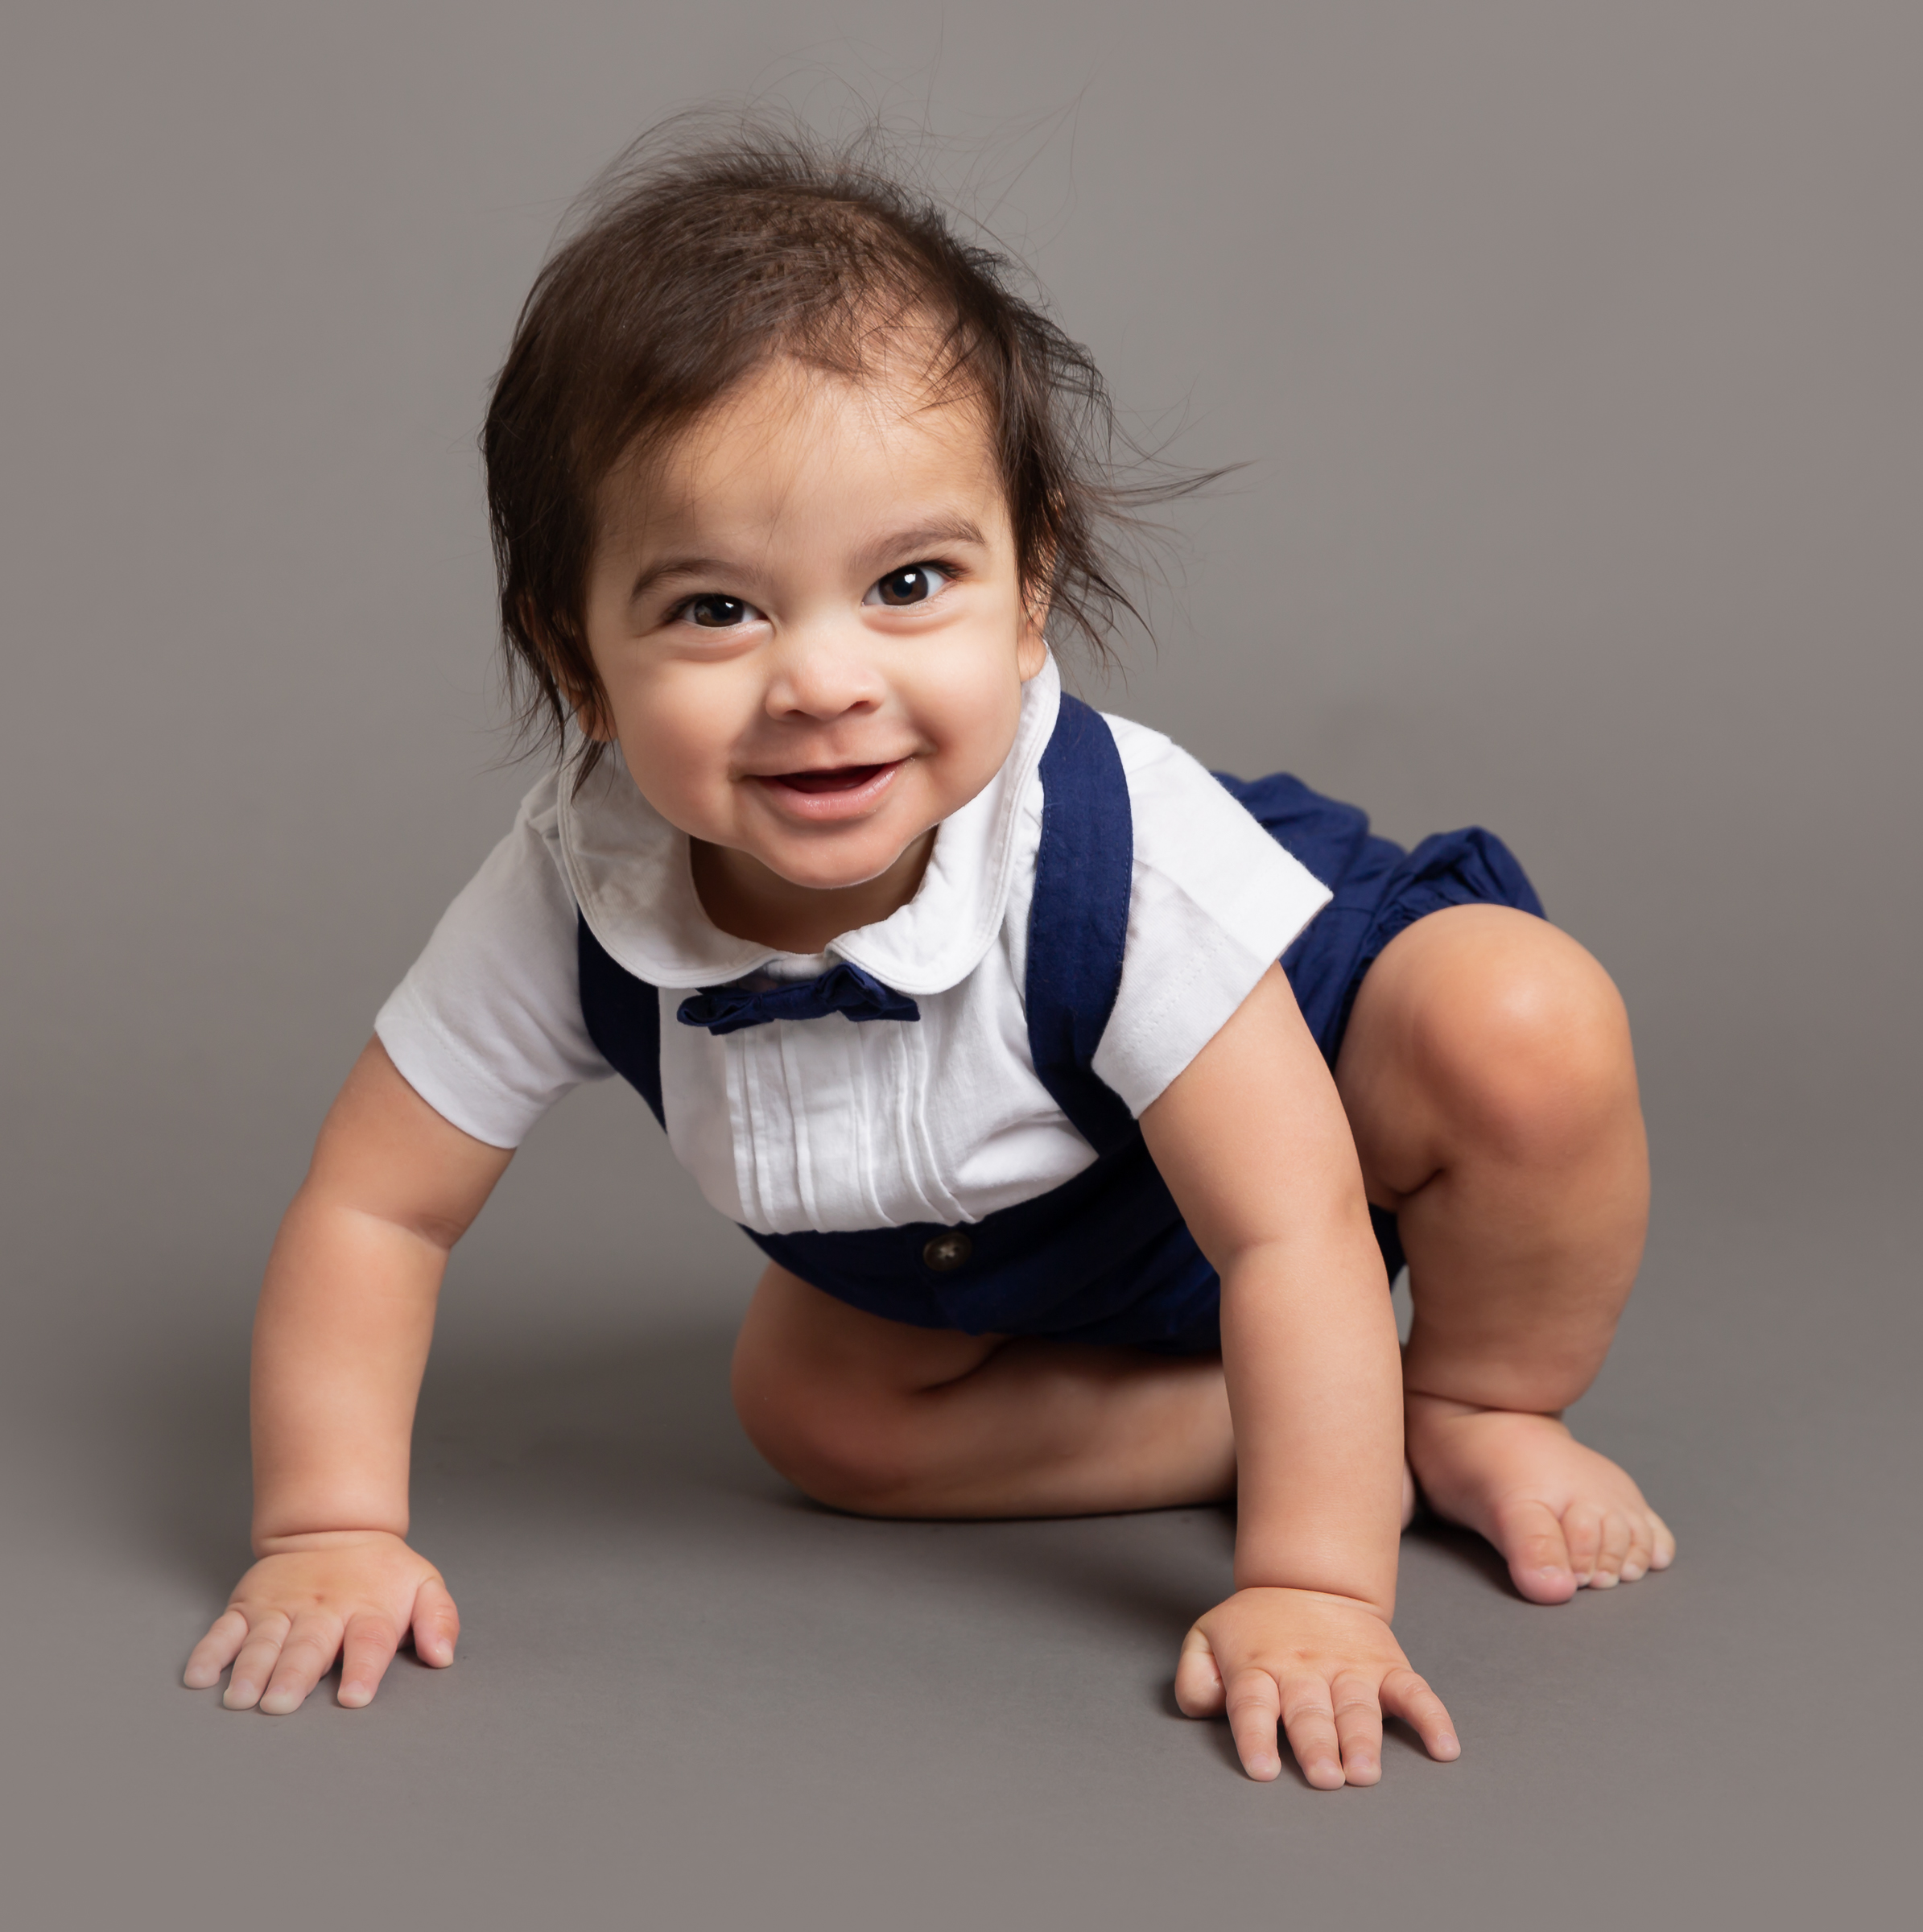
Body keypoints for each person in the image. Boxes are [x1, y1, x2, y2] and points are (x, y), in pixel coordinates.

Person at [183, 123, 1672, 1788]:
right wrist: (326, 1523)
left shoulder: (1113, 855)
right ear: (577, 660)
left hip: (1302, 1126)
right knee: (820, 1419)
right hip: (991, 1254)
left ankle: (1471, 1401)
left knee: (1523, 1024)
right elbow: (376, 1206)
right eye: (713, 612)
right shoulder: (572, 885)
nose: (821, 680)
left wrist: (1314, 1589)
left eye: (907, 583)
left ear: (1030, 586)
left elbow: (1290, 1227)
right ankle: (1345, 1421)